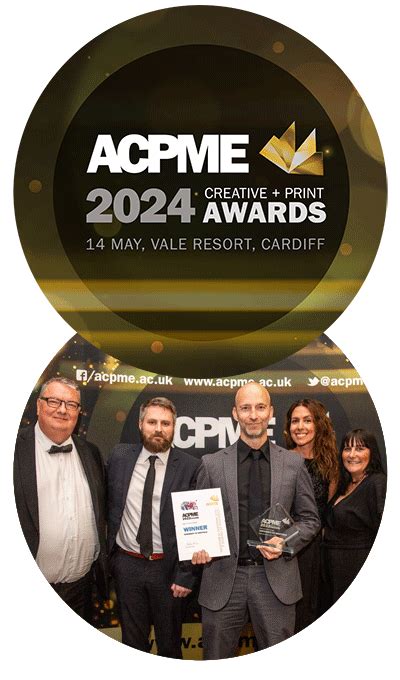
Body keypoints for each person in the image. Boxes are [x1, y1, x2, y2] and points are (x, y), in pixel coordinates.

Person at [192, 383, 320, 659]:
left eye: (260, 407)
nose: (253, 415)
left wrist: (285, 541)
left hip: (275, 580)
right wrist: (198, 546)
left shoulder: (293, 464)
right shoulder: (211, 464)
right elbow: (199, 521)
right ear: (235, 413)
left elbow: (310, 519)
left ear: (270, 412)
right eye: (246, 408)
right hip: (223, 579)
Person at [107, 396, 200, 658]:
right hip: (127, 566)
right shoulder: (119, 457)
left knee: (170, 646)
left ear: (174, 427)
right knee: (132, 643)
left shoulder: (191, 466)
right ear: (140, 424)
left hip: (167, 570)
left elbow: (195, 526)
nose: (159, 429)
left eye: (165, 423)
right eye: (152, 422)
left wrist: (186, 574)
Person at [14, 376, 107, 621]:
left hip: (82, 591)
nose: (63, 410)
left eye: (71, 404)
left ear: (78, 412)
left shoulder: (91, 453)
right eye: (54, 401)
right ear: (38, 405)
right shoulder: (13, 449)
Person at [284, 398, 338, 631]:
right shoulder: (282, 460)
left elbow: (326, 509)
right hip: (283, 548)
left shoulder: (330, 465)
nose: (300, 427)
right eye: (295, 421)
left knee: (310, 613)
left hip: (314, 552)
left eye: (307, 420)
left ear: (318, 424)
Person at [323, 429, 386, 605]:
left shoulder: (377, 483)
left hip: (356, 568)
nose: (352, 455)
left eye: (359, 448)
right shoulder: (345, 484)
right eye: (347, 449)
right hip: (332, 570)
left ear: (372, 453)